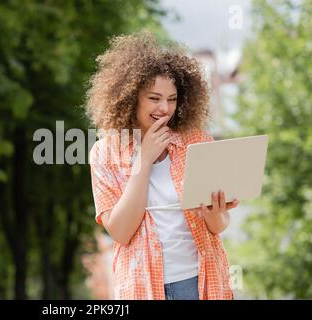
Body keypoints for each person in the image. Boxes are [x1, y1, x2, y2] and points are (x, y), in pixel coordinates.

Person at [85, 31, 240, 300]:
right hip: (142, 286)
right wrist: (144, 160)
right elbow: (121, 231)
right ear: (131, 97)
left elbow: (218, 225)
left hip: (199, 282)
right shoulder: (105, 153)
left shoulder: (196, 142)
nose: (164, 108)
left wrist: (215, 211)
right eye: (154, 98)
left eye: (172, 99)